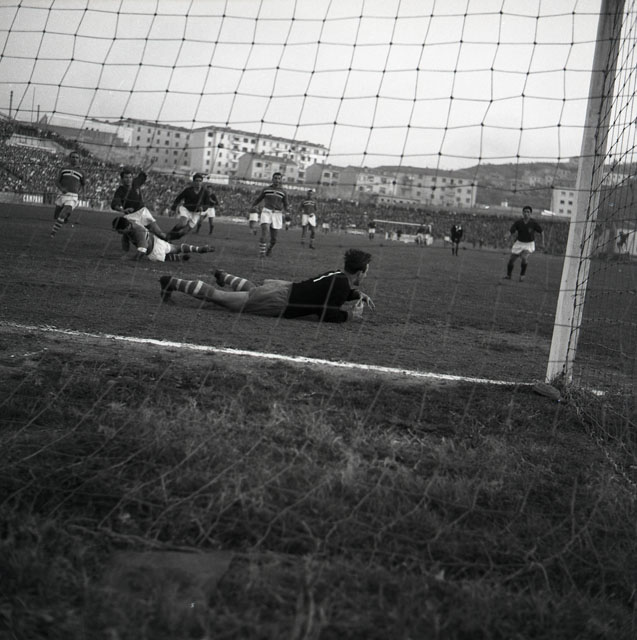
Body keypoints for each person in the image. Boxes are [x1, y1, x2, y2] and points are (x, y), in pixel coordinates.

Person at [159, 248, 375, 323]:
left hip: (282, 288)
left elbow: (330, 291)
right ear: (359, 273)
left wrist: (356, 294)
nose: (366, 275)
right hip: (279, 301)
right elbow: (326, 313)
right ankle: (172, 282)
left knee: (253, 290)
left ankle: (224, 276)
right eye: (366, 272)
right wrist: (350, 316)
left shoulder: (338, 275)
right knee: (221, 298)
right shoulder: (341, 285)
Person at [112, 216, 214, 262]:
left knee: (167, 258)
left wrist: (128, 258)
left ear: (126, 227)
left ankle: (179, 258)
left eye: (119, 230)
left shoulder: (138, 232)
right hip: (157, 241)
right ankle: (198, 249)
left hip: (154, 252)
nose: (118, 232)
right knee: (177, 248)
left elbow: (141, 253)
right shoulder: (131, 224)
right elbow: (125, 242)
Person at [111, 164, 167, 239]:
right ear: (122, 179)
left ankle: (169, 243)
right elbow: (114, 204)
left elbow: (144, 173)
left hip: (143, 211)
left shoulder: (136, 182)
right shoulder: (120, 191)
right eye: (126, 177)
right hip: (131, 217)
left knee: (160, 234)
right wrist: (123, 210)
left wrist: (151, 163)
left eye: (130, 177)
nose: (128, 179)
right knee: (142, 237)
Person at [167, 174, 219, 240]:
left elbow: (207, 204)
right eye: (196, 181)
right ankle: (169, 235)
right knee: (183, 223)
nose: (198, 182)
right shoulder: (188, 190)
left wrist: (202, 208)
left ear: (202, 182)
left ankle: (171, 238)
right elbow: (178, 198)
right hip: (186, 209)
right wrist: (173, 209)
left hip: (196, 213)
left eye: (200, 181)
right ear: (193, 182)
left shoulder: (205, 192)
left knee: (184, 232)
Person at [251, 172, 289, 257]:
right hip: (266, 212)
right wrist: (253, 205)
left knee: (274, 239)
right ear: (272, 179)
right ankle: (262, 253)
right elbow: (258, 199)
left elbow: (286, 204)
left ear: (281, 180)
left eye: (279, 178)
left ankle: (269, 249)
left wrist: (287, 213)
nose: (277, 180)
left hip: (277, 214)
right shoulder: (266, 189)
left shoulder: (283, 192)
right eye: (275, 178)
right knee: (265, 232)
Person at [50, 150, 86, 237]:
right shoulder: (63, 169)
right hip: (62, 195)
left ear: (79, 159)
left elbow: (83, 184)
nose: (75, 159)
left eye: (77, 157)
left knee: (63, 213)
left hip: (73, 196)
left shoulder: (82, 172)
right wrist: (62, 189)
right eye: (73, 157)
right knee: (56, 216)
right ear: (69, 158)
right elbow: (57, 182)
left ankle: (53, 233)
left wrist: (82, 194)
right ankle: (65, 217)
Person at [504, 206, 543, 282]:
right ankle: (508, 275)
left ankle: (522, 275)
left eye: (528, 212)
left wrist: (543, 243)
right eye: (525, 211)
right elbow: (511, 231)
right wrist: (507, 235)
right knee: (511, 260)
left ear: (530, 213)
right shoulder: (518, 222)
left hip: (529, 244)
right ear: (522, 213)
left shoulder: (533, 223)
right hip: (519, 243)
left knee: (524, 258)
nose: (526, 213)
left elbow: (542, 232)